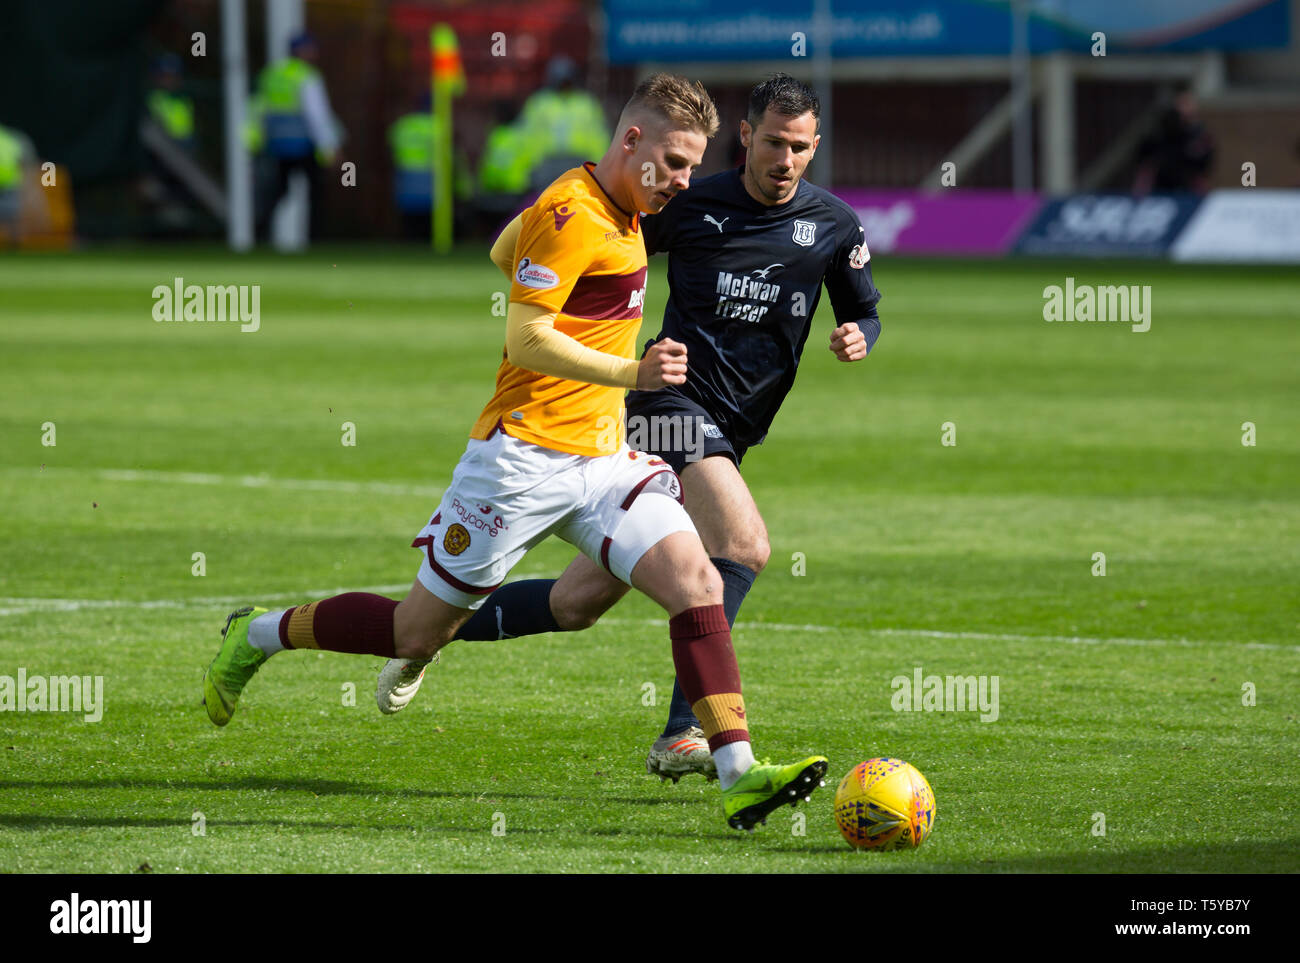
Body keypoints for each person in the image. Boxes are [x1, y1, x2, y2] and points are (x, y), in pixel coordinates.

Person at [202, 73, 828, 833]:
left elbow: (508, 247)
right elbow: (524, 336)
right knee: (413, 631)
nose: (684, 181)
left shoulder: (622, 205)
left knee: (696, 580)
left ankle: (738, 772)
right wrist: (633, 370)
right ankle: (258, 632)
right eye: (673, 161)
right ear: (631, 140)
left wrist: (566, 299)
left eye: (694, 166)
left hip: (604, 458)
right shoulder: (574, 213)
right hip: (520, 461)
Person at [381, 74, 882, 783]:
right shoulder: (692, 204)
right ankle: (689, 734)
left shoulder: (834, 224)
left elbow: (863, 307)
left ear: (815, 146)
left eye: (799, 147)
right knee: (741, 543)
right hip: (665, 406)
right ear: (746, 136)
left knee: (577, 602)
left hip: (733, 428)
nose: (785, 158)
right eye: (773, 142)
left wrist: (860, 333)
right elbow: (586, 235)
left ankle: (430, 632)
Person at [251, 31, 341, 240]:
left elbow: (257, 109)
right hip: (303, 144)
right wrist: (330, 147)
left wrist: (256, 140)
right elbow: (317, 115)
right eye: (310, 49)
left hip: (277, 144)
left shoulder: (271, 74)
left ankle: (260, 233)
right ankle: (315, 239)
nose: (314, 53)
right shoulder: (306, 75)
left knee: (278, 191)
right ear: (301, 51)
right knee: (316, 193)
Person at [1132, 85, 1215, 196]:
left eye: (1188, 104)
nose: (1185, 110)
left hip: (1189, 188)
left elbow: (1203, 164)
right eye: (1181, 104)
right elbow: (1144, 156)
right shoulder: (1160, 132)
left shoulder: (1199, 136)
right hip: (1159, 188)